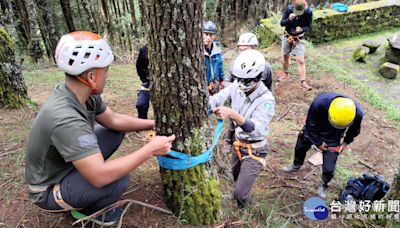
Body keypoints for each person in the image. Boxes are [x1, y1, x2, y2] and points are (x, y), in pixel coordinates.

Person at [24, 31, 175, 226]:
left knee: (113, 132)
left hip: (64, 166)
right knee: (116, 180)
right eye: (106, 70)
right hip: (47, 190)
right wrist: (149, 150)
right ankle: (87, 210)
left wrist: (153, 124)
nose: (107, 74)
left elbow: (114, 121)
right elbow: (99, 176)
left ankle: (82, 178)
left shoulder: (80, 92)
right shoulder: (66, 119)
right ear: (92, 76)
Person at [209, 49, 275, 208]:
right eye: (238, 79)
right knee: (235, 175)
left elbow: (255, 128)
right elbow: (219, 97)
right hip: (238, 143)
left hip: (255, 150)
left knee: (241, 192)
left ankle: (243, 204)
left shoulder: (266, 100)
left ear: (259, 78)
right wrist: (206, 107)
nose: (240, 84)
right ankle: (237, 195)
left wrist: (232, 114)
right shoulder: (237, 87)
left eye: (246, 81)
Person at [282, 93, 363, 198]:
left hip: (334, 137)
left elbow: (354, 130)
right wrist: (318, 142)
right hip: (315, 128)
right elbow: (310, 124)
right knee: (300, 147)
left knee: (329, 168)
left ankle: (324, 184)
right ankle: (296, 164)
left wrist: (346, 142)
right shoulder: (320, 103)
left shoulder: (357, 114)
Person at [280, 0, 313, 91]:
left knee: (300, 60)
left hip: (299, 39)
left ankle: (303, 83)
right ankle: (285, 74)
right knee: (285, 56)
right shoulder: (289, 9)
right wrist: (289, 19)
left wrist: (301, 29)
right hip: (287, 36)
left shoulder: (308, 12)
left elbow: (309, 26)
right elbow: (282, 23)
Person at [203, 20, 224, 95]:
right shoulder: (199, 51)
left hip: (215, 84)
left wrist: (222, 80)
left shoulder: (217, 49)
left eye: (211, 35)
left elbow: (220, 65)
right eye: (206, 34)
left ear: (214, 36)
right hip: (204, 85)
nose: (208, 38)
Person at [135, 44, 150, 119]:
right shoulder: (144, 50)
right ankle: (142, 123)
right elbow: (139, 66)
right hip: (148, 83)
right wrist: (144, 80)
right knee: (140, 104)